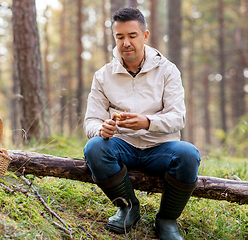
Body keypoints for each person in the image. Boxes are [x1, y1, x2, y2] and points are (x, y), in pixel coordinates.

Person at [83, 7, 201, 240]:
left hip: (161, 149)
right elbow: (91, 121)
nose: (126, 42)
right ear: (115, 38)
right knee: (94, 148)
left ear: (145, 36)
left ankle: (166, 220)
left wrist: (148, 122)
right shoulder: (103, 76)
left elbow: (179, 117)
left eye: (132, 36)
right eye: (120, 37)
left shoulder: (167, 71)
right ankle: (128, 208)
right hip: (121, 146)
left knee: (188, 154)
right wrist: (100, 129)